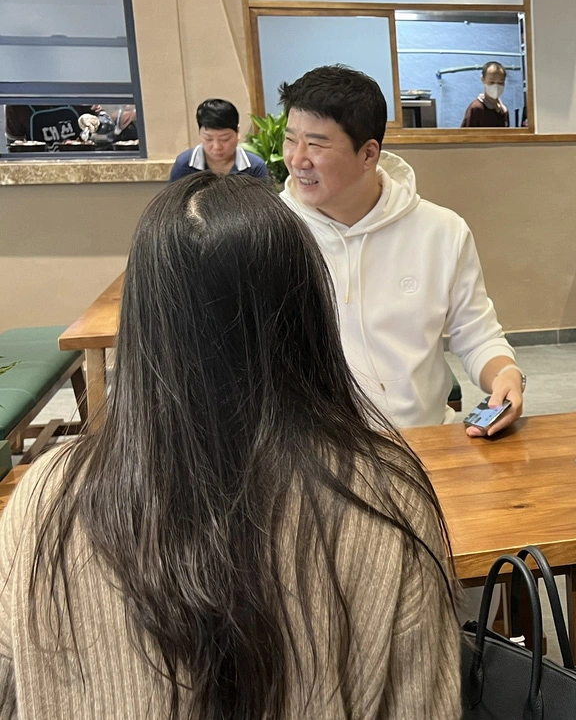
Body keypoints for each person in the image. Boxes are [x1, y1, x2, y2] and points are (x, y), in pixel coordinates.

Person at [0, 173, 460, 718]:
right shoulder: (387, 497)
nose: (302, 157)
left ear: (145, 321)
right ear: (305, 310)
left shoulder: (43, 497)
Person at [280, 64, 525, 434]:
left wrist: (505, 373)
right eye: (290, 139)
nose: (298, 159)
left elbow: (477, 335)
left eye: (316, 144)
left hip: (419, 445)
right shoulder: (268, 232)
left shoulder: (440, 231)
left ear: (368, 154)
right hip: (311, 455)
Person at [169, 98, 270, 181]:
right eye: (208, 139)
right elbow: (172, 203)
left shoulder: (254, 167)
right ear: (199, 133)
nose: (217, 147)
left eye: (224, 139)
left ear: (237, 132)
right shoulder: (184, 165)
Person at [460, 61, 510, 128]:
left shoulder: (503, 110)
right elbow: (464, 136)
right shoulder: (476, 108)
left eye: (500, 82)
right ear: (483, 79)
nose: (496, 86)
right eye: (492, 82)